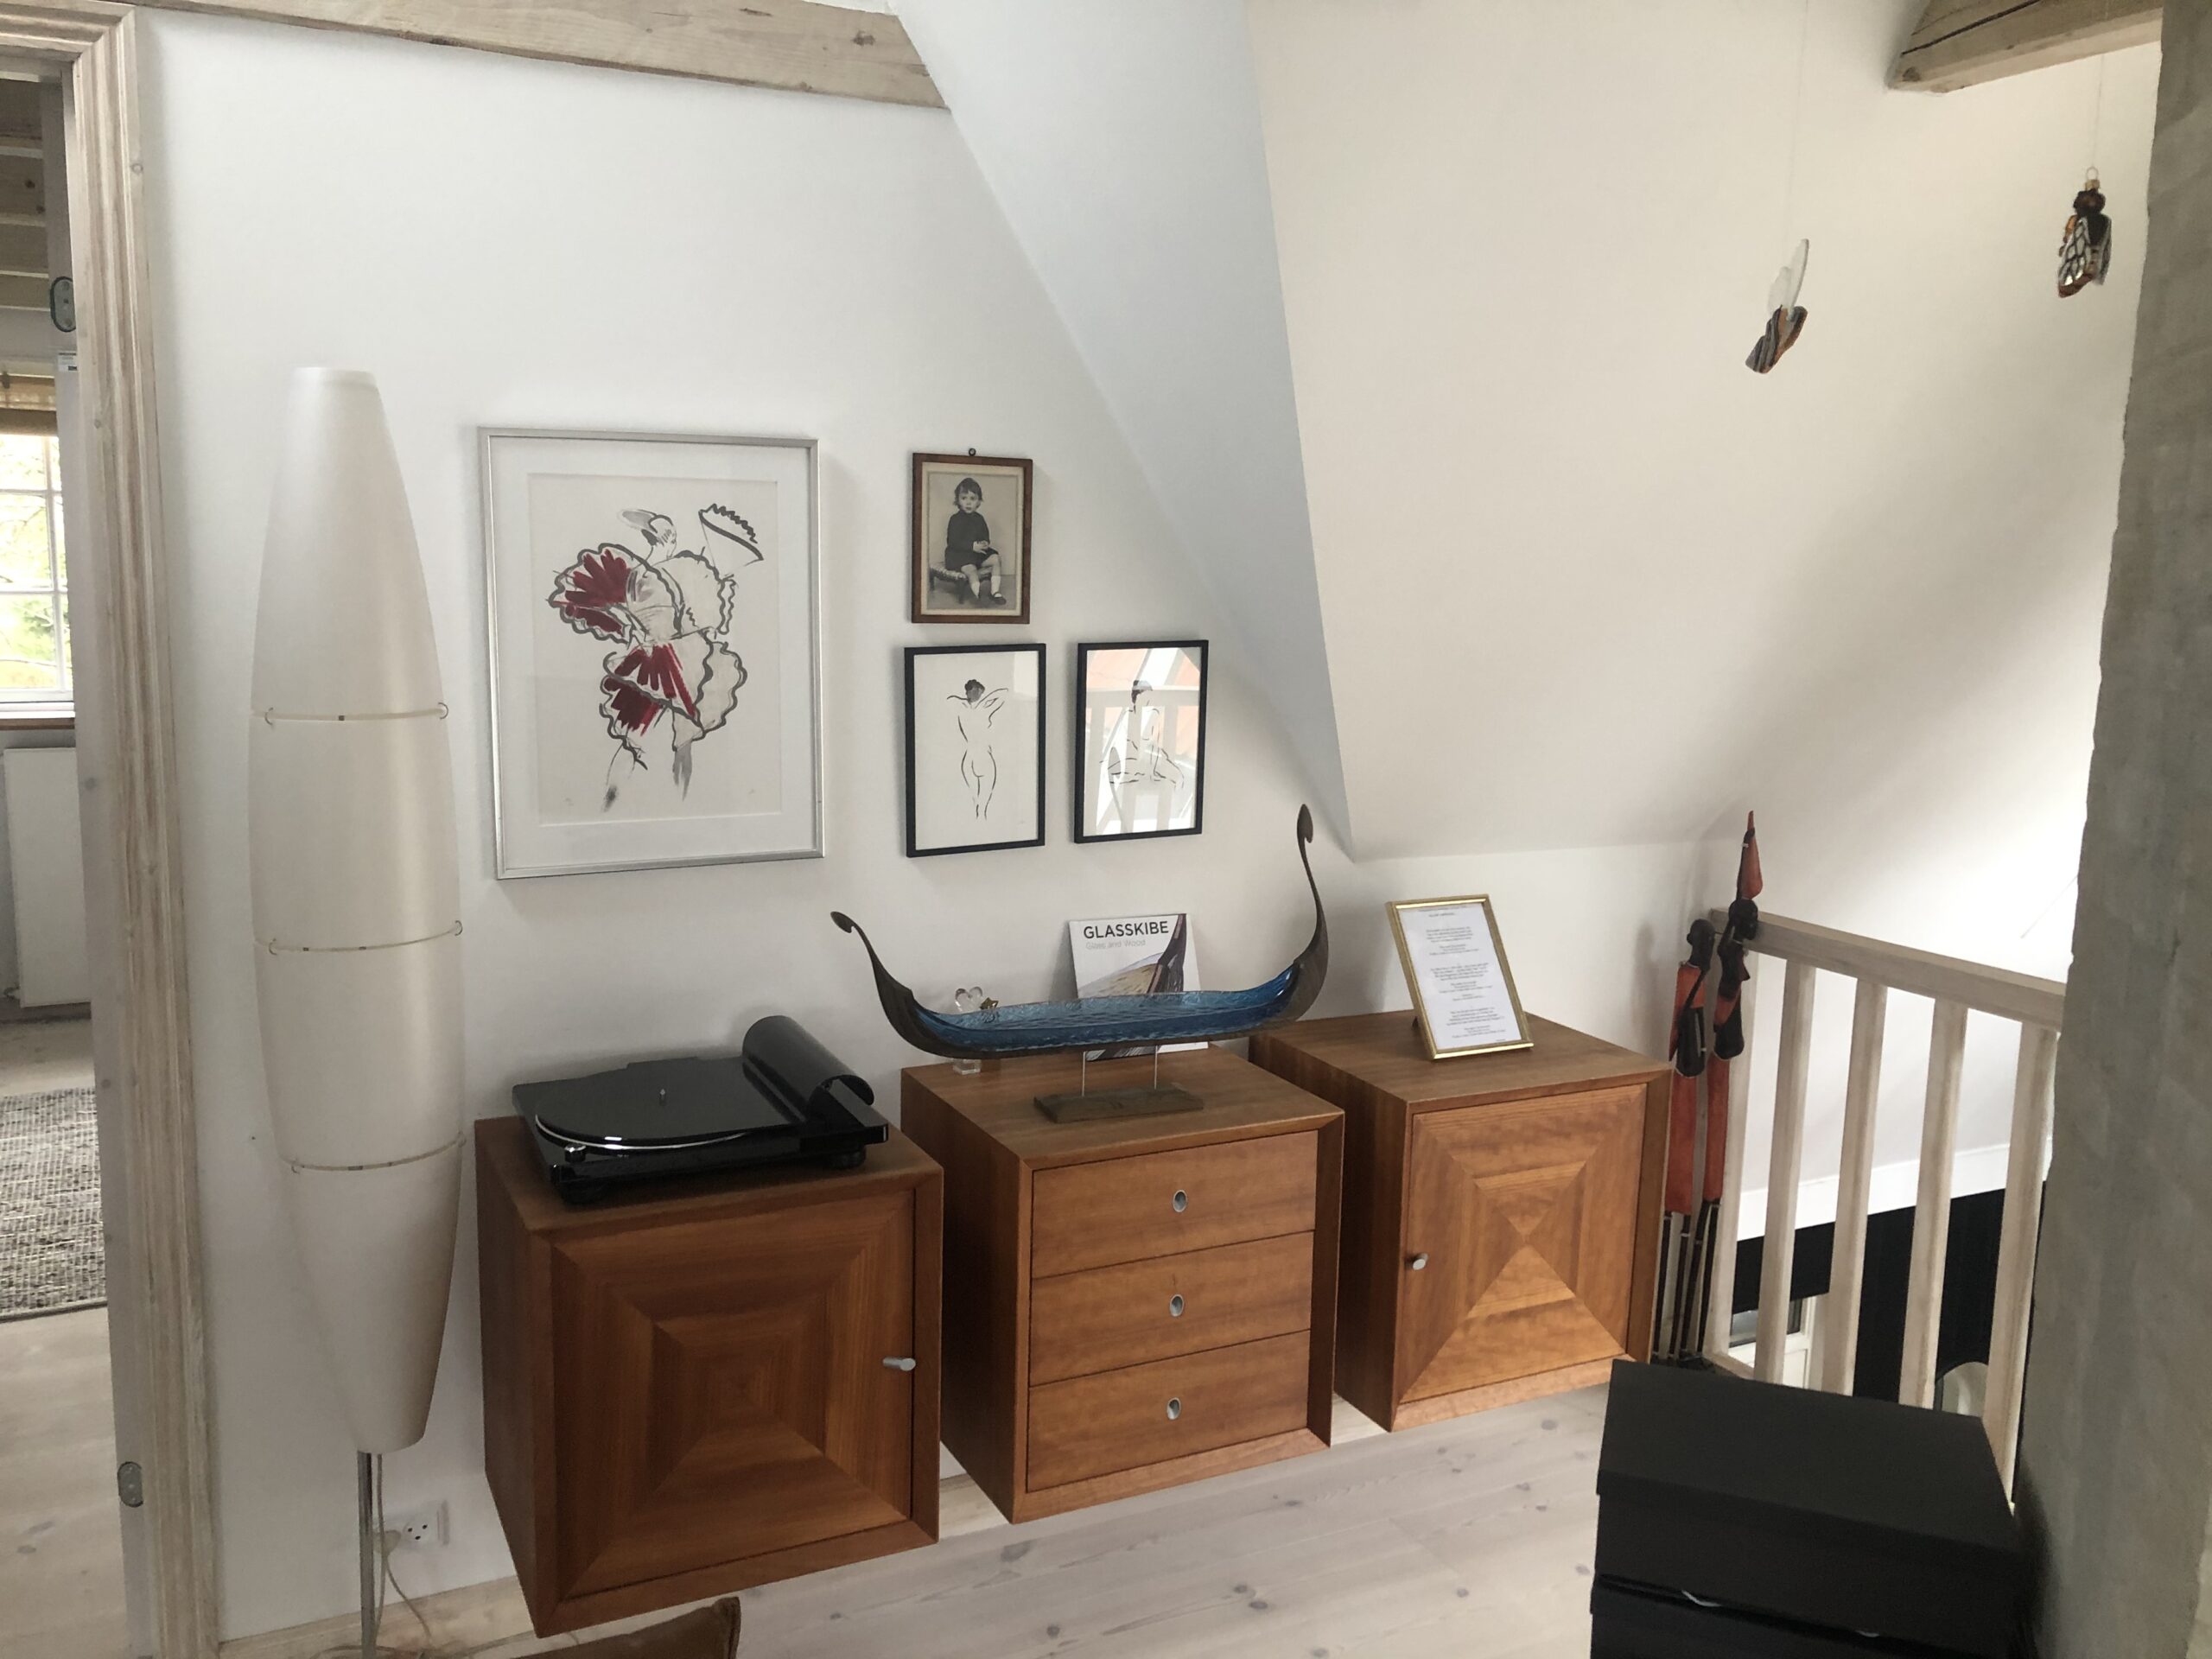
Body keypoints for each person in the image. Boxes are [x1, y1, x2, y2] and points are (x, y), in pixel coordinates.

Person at [948, 678, 1009, 817]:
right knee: (975, 801)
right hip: (973, 757)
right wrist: (979, 701)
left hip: (982, 757)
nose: (978, 694)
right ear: (969, 691)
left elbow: (1005, 693)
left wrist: (982, 701)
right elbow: (949, 700)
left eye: (980, 692)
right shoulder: (964, 706)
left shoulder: (982, 708)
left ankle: (981, 820)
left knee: (982, 805)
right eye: (975, 691)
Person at [942, 478, 1005, 607]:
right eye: (964, 498)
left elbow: (985, 535)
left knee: (996, 559)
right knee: (971, 569)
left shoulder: (979, 519)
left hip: (976, 554)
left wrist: (985, 543)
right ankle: (978, 594)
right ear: (958, 500)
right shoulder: (955, 519)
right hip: (959, 555)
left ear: (979, 501)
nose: (968, 502)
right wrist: (971, 546)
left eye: (973, 498)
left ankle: (995, 592)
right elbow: (953, 542)